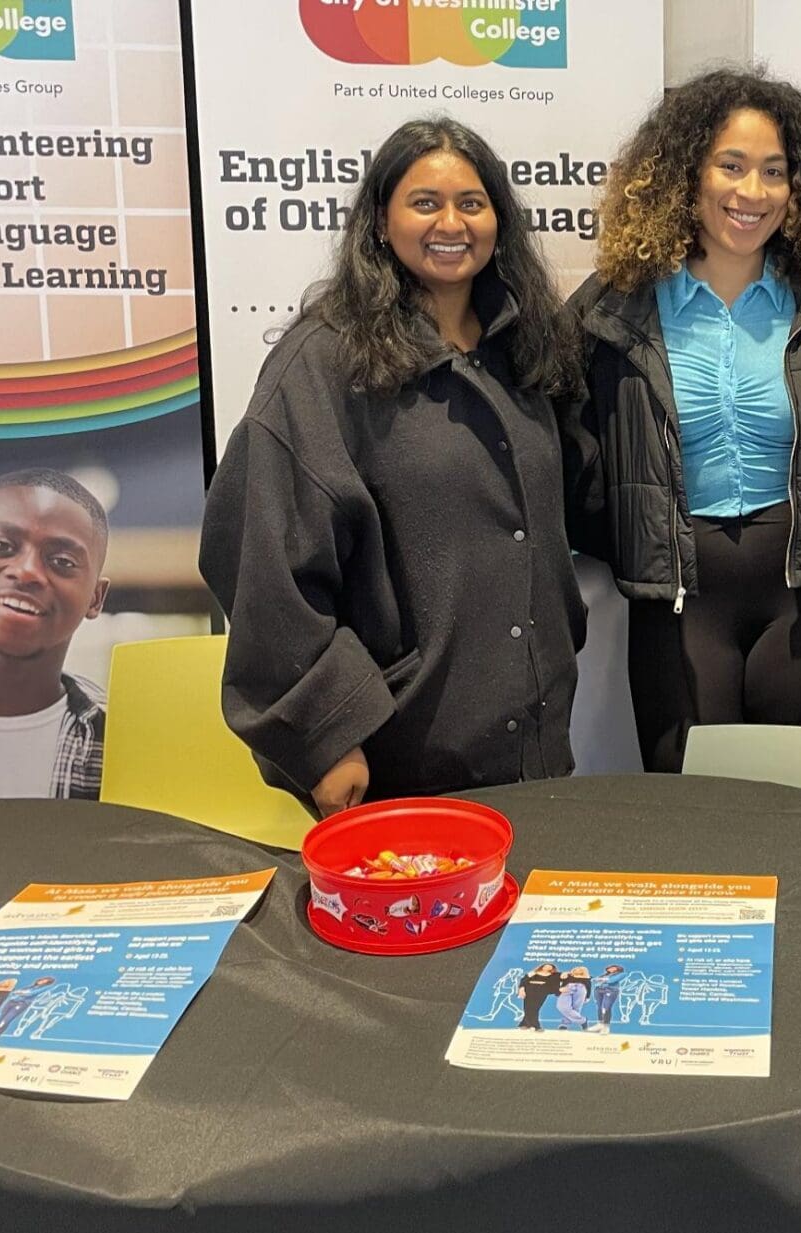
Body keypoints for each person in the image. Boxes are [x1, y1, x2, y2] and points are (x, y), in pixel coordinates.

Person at [200, 118, 587, 815]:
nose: (452, 222)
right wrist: (324, 733)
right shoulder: (323, 362)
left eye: (472, 203)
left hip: (535, 749)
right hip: (398, 758)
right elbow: (256, 556)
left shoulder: (527, 346)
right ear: (381, 220)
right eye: (425, 202)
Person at [569, 67, 801, 772]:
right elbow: (554, 440)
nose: (752, 193)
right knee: (694, 818)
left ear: (797, 189)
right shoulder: (614, 307)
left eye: (773, 172)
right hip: (678, 602)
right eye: (732, 165)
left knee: (797, 807)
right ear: (687, 174)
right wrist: (624, 529)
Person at [0, 469, 110, 800]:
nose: (27, 571)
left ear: (96, 598)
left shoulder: (126, 738)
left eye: (62, 561)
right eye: (1, 546)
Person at [517, 963, 561, 1031]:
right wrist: (522, 989)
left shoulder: (554, 975)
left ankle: (525, 1024)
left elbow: (556, 982)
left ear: (552, 969)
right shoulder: (534, 973)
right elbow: (524, 980)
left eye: (549, 967)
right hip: (529, 990)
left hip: (542, 992)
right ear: (542, 967)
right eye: (546, 966)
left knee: (535, 1008)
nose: (547, 967)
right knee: (527, 1007)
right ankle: (535, 1026)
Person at [588, 963, 626, 1032]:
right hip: (598, 990)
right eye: (609, 968)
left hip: (610, 990)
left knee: (606, 1007)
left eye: (613, 967)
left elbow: (612, 980)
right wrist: (600, 979)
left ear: (618, 968)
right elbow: (593, 980)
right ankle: (600, 1024)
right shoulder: (605, 975)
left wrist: (600, 979)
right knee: (599, 1007)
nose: (610, 969)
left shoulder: (622, 974)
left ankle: (606, 1026)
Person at [555, 965, 592, 1030]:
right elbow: (558, 979)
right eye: (576, 969)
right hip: (567, 989)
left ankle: (565, 1024)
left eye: (580, 969)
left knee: (576, 1008)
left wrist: (588, 997)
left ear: (583, 971)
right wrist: (559, 990)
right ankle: (583, 1021)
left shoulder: (587, 977)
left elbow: (589, 987)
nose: (577, 970)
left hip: (581, 989)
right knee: (562, 1006)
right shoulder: (568, 975)